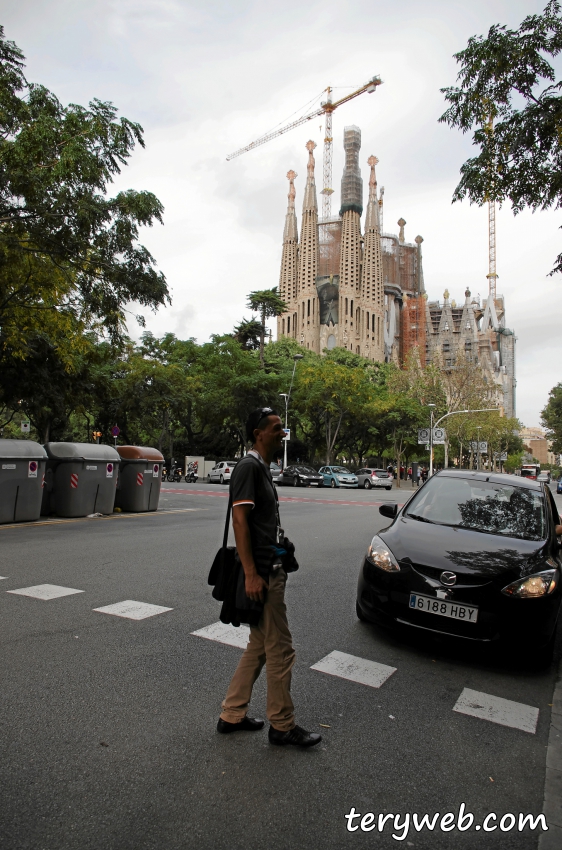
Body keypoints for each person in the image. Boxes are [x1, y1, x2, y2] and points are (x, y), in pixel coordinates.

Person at [217, 407, 321, 749]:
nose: (283, 432)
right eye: (277, 428)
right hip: (261, 571)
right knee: (281, 649)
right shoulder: (248, 467)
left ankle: (232, 714)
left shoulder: (261, 467)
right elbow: (240, 522)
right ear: (259, 433)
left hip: (269, 565)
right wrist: (250, 574)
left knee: (259, 646)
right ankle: (282, 724)